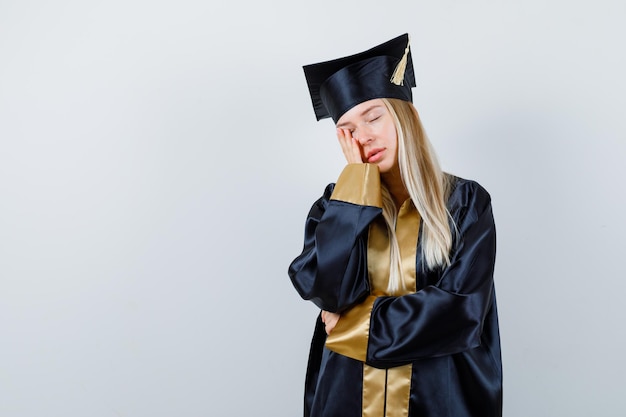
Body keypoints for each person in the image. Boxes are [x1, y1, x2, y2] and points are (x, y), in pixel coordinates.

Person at [288, 33, 502, 417]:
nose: (364, 135)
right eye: (348, 129)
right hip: (345, 400)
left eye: (373, 117)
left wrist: (351, 326)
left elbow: (459, 313)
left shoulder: (465, 203)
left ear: (407, 116)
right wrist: (356, 186)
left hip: (440, 402)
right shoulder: (333, 207)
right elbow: (325, 290)